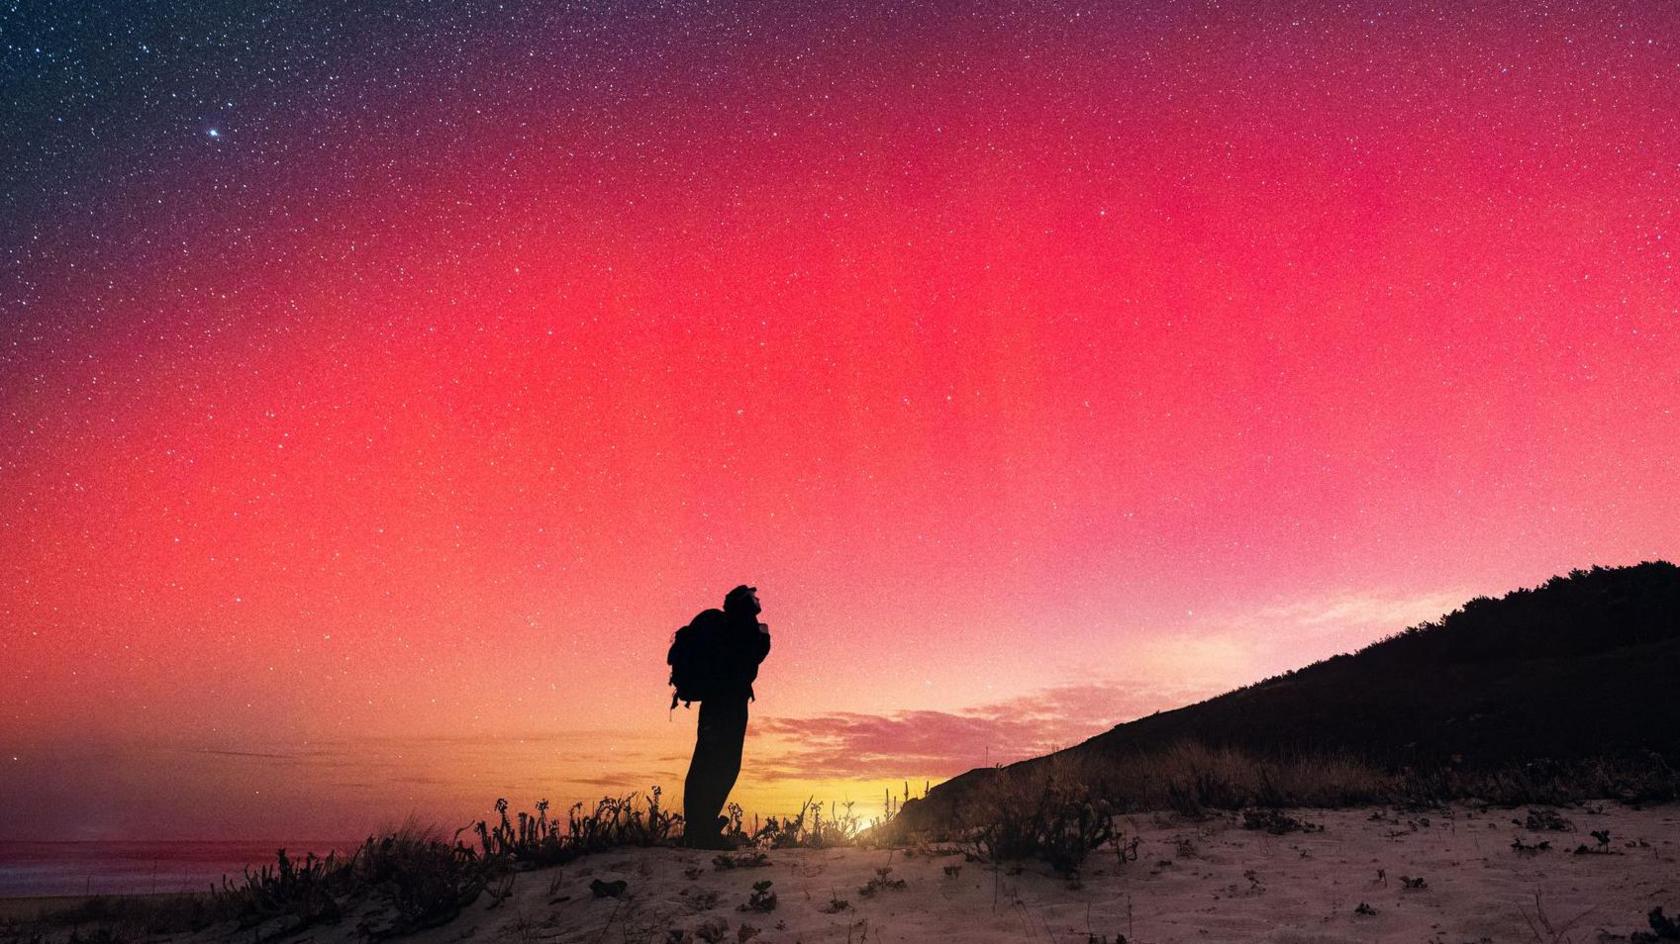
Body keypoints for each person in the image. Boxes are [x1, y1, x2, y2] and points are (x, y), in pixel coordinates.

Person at [680, 584, 771, 849]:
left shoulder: (724, 628)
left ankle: (699, 827)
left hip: (715, 703)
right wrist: (763, 634)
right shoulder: (740, 629)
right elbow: (756, 654)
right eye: (753, 599)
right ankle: (701, 830)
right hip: (728, 705)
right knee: (721, 764)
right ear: (745, 604)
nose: (757, 602)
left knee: (706, 762)